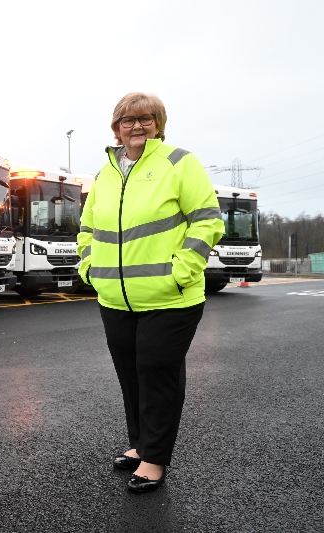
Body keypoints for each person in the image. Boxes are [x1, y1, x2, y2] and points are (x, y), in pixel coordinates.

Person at [77, 92, 224, 493]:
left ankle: (155, 459)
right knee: (131, 376)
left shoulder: (179, 162)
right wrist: (90, 268)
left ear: (158, 123)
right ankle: (140, 445)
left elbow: (208, 221)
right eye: (128, 119)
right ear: (116, 128)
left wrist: (182, 272)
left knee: (157, 374)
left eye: (146, 118)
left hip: (171, 297)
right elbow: (87, 229)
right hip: (114, 297)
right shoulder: (105, 174)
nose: (137, 125)